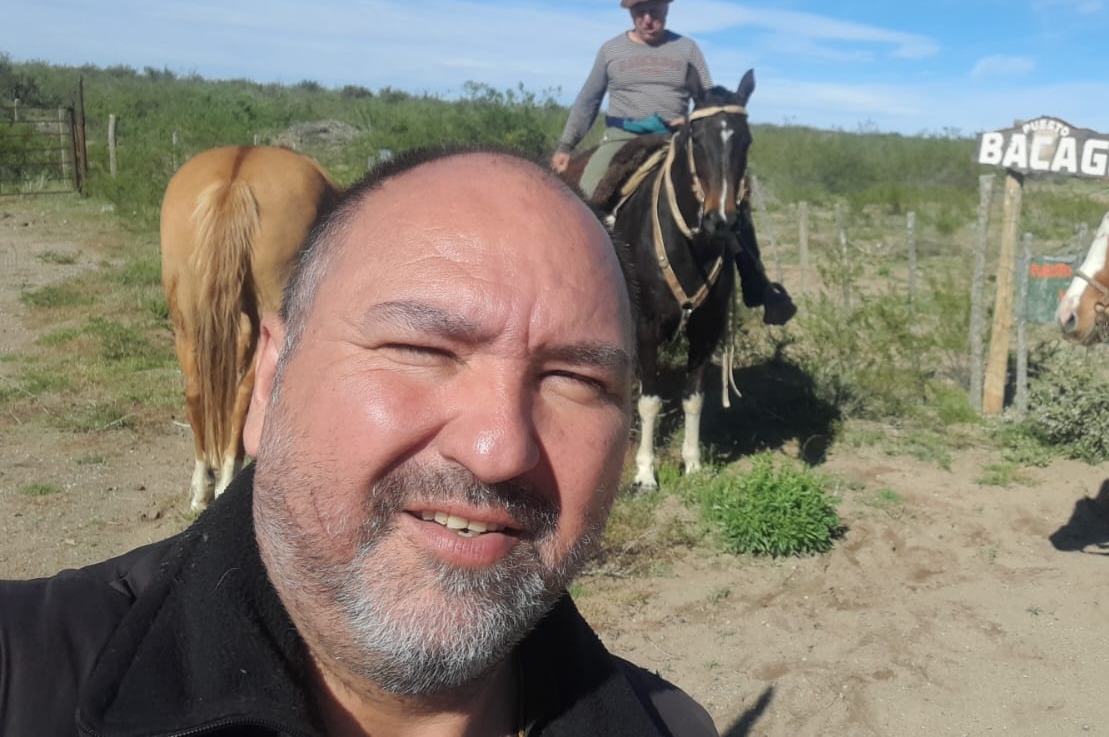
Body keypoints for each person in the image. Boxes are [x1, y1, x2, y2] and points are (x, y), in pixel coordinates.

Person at [0, 147, 719, 736]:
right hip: (626, 137)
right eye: (420, 349)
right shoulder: (18, 671)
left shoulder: (674, 727)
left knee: (724, 235)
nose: (498, 450)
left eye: (576, 379)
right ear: (270, 379)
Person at [552, 0, 795, 326]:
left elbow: (709, 102)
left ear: (665, 12)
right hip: (622, 136)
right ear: (631, 15)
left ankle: (758, 286)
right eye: (640, 13)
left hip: (674, 138)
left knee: (732, 202)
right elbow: (588, 101)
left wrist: (693, 118)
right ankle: (574, 283)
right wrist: (566, 146)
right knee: (586, 196)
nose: (648, 19)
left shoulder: (686, 49)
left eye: (654, 12)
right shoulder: (611, 51)